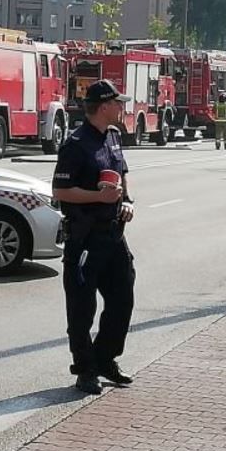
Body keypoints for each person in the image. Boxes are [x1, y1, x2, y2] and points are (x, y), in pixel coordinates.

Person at [52, 79, 137, 396]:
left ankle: (105, 359)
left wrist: (126, 202)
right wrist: (96, 198)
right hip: (85, 237)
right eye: (118, 103)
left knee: (122, 299)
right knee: (81, 308)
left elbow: (121, 174)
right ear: (103, 106)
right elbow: (60, 190)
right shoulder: (76, 144)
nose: (122, 108)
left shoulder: (113, 136)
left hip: (113, 235)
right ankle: (85, 369)